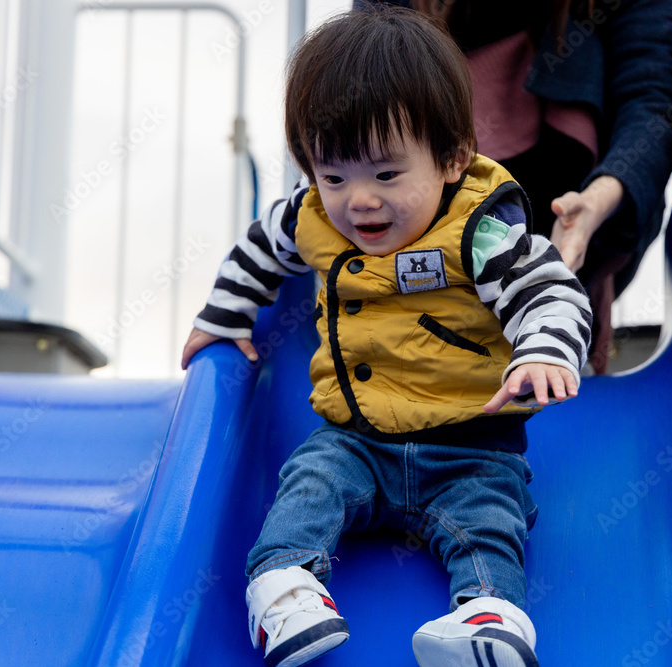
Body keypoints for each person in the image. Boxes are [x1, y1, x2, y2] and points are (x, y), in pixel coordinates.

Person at [181, 7, 591, 667]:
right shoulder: (311, 216)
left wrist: (543, 350)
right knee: (308, 485)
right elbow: (257, 250)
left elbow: (547, 289)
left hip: (471, 446)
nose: (359, 200)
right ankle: (284, 587)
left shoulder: (477, 230)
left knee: (491, 518)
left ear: (452, 158)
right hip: (357, 440)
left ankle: (490, 618)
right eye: (334, 175)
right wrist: (224, 317)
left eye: (386, 174)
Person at [360, 0, 672, 373]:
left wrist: (595, 203)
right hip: (427, 247)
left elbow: (656, 100)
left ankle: (553, 333)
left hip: (571, 226)